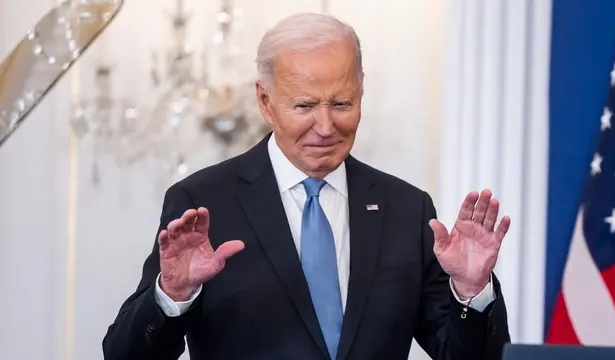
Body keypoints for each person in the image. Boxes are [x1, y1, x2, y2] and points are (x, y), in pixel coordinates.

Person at [102, 12, 511, 360]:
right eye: (305, 105)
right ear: (265, 102)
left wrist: (471, 291)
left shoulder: (407, 209)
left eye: (342, 104)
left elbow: (468, 354)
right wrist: (172, 295)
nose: (326, 126)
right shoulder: (203, 203)